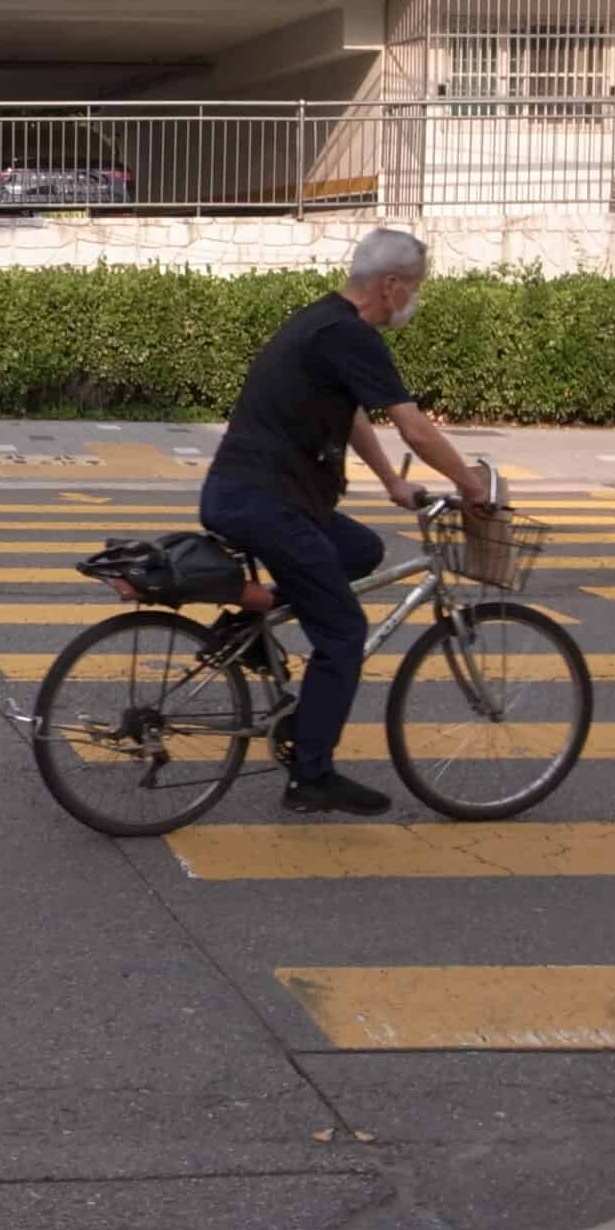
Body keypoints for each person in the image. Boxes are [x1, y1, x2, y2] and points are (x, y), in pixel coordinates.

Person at [199, 228, 492, 818]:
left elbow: (352, 412)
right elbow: (417, 429)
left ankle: (252, 629)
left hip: (253, 496)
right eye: (416, 289)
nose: (415, 299)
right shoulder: (351, 335)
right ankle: (311, 775)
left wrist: (391, 481)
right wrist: (471, 484)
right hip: (269, 503)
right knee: (342, 634)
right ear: (392, 285)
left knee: (359, 551)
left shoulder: (321, 321)